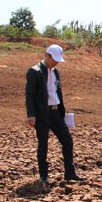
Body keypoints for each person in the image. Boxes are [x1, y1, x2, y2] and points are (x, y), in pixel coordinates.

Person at [25, 44, 83, 183]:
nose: (56, 63)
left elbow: (57, 92)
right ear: (47, 55)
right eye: (54, 60)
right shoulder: (34, 71)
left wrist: (63, 111)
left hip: (56, 112)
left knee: (67, 141)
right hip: (42, 114)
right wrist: (31, 114)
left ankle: (69, 173)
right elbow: (29, 94)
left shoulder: (55, 71)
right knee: (43, 144)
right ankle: (43, 175)